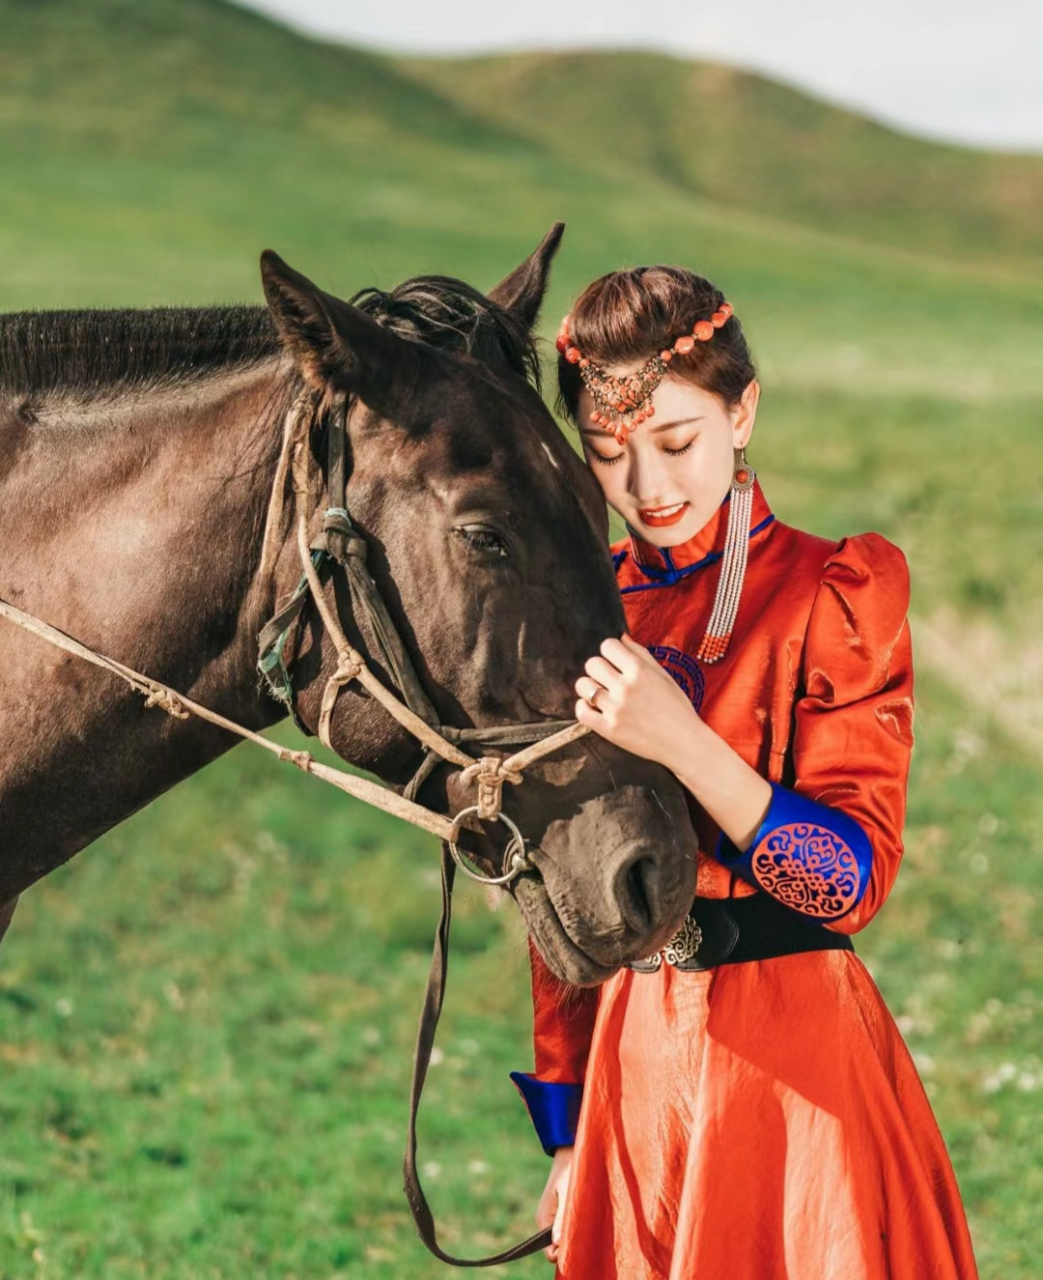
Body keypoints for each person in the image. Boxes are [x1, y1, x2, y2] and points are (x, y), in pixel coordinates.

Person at [508, 266, 979, 1278]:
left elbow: (847, 879)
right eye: (608, 453)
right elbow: (562, 905)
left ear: (741, 411)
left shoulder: (830, 592)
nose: (649, 488)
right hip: (630, 1074)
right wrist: (563, 1131)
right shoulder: (584, 614)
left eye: (676, 442)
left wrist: (680, 739)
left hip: (795, 1075)